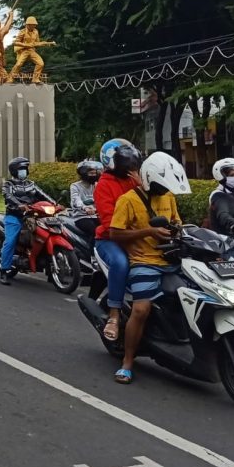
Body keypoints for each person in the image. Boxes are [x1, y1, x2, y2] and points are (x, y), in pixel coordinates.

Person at [109, 152, 190, 384]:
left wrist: (176, 230)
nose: (164, 191)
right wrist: (148, 232)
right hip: (144, 262)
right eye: (160, 187)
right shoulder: (128, 200)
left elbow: (177, 222)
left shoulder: (169, 197)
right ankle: (127, 362)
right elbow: (115, 233)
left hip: (171, 260)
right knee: (141, 310)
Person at [93, 139, 142, 342]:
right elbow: (109, 222)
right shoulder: (103, 186)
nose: (130, 168)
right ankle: (114, 314)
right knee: (121, 263)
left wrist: (142, 183)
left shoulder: (134, 180)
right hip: (110, 239)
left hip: (139, 236)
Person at [0, 156, 55, 285]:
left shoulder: (31, 184)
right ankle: (4, 270)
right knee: (10, 241)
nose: (24, 171)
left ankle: (51, 270)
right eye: (22, 169)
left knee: (46, 235)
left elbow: (43, 195)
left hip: (33, 216)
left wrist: (55, 204)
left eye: (25, 168)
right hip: (15, 216)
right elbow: (8, 196)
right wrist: (19, 204)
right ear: (14, 171)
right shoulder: (8, 184)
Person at [6, 16, 56, 84]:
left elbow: (37, 42)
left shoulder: (36, 32)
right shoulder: (22, 32)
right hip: (24, 51)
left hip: (32, 51)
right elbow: (15, 42)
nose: (34, 26)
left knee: (40, 63)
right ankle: (10, 78)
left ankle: (35, 79)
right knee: (18, 65)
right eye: (33, 25)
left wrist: (46, 43)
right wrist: (26, 45)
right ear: (28, 25)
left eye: (35, 25)